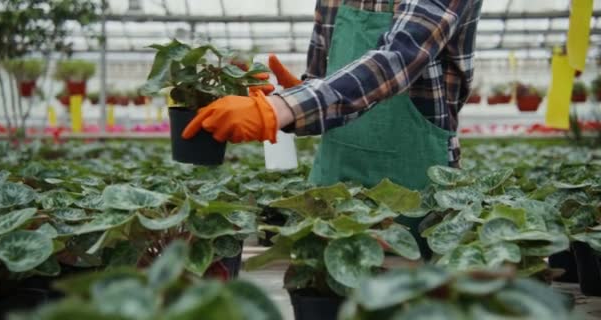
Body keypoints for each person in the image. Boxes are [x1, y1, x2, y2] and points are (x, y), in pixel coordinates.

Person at [182, 0, 482, 253]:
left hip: (416, 183)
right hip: (335, 180)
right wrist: (291, 92)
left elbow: (398, 59)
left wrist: (281, 108)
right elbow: (324, 81)